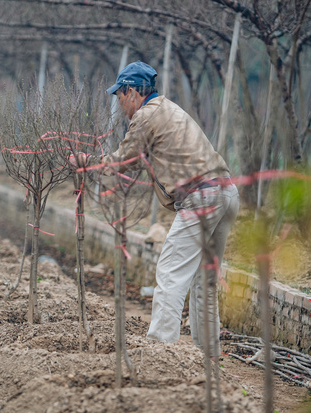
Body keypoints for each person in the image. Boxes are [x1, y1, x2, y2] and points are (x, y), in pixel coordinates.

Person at [75, 61, 240, 357]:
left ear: (134, 91)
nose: (119, 102)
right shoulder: (167, 109)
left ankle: (159, 353)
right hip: (225, 192)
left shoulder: (146, 116)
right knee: (206, 278)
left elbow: (124, 160)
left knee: (169, 273)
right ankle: (210, 356)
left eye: (120, 95)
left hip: (201, 197)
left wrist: (88, 161)